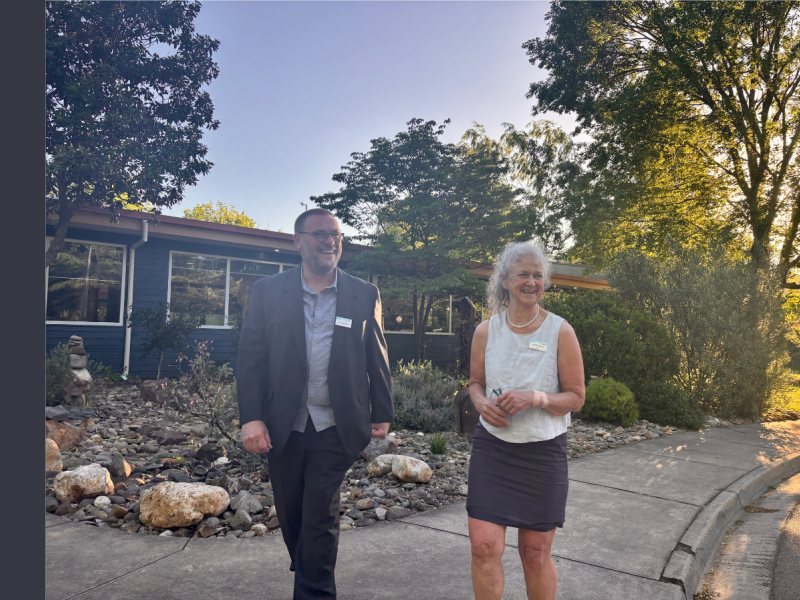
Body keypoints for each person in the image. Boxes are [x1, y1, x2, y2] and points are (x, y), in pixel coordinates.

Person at [236, 208, 393, 600]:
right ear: (298, 241)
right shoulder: (269, 292)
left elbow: (378, 356)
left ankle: (314, 590)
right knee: (292, 514)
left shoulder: (362, 293)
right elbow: (251, 359)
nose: (330, 241)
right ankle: (307, 562)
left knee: (320, 514)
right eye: (320, 234)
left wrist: (382, 413)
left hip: (337, 424)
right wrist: (251, 418)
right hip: (282, 424)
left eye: (336, 235)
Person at [467, 241, 585, 600]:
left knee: (534, 554)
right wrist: (481, 403)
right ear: (505, 280)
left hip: (542, 454)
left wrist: (535, 398)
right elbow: (475, 383)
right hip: (493, 452)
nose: (531, 281)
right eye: (523, 274)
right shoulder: (486, 331)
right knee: (484, 549)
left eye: (538, 275)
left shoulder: (560, 331)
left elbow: (576, 398)